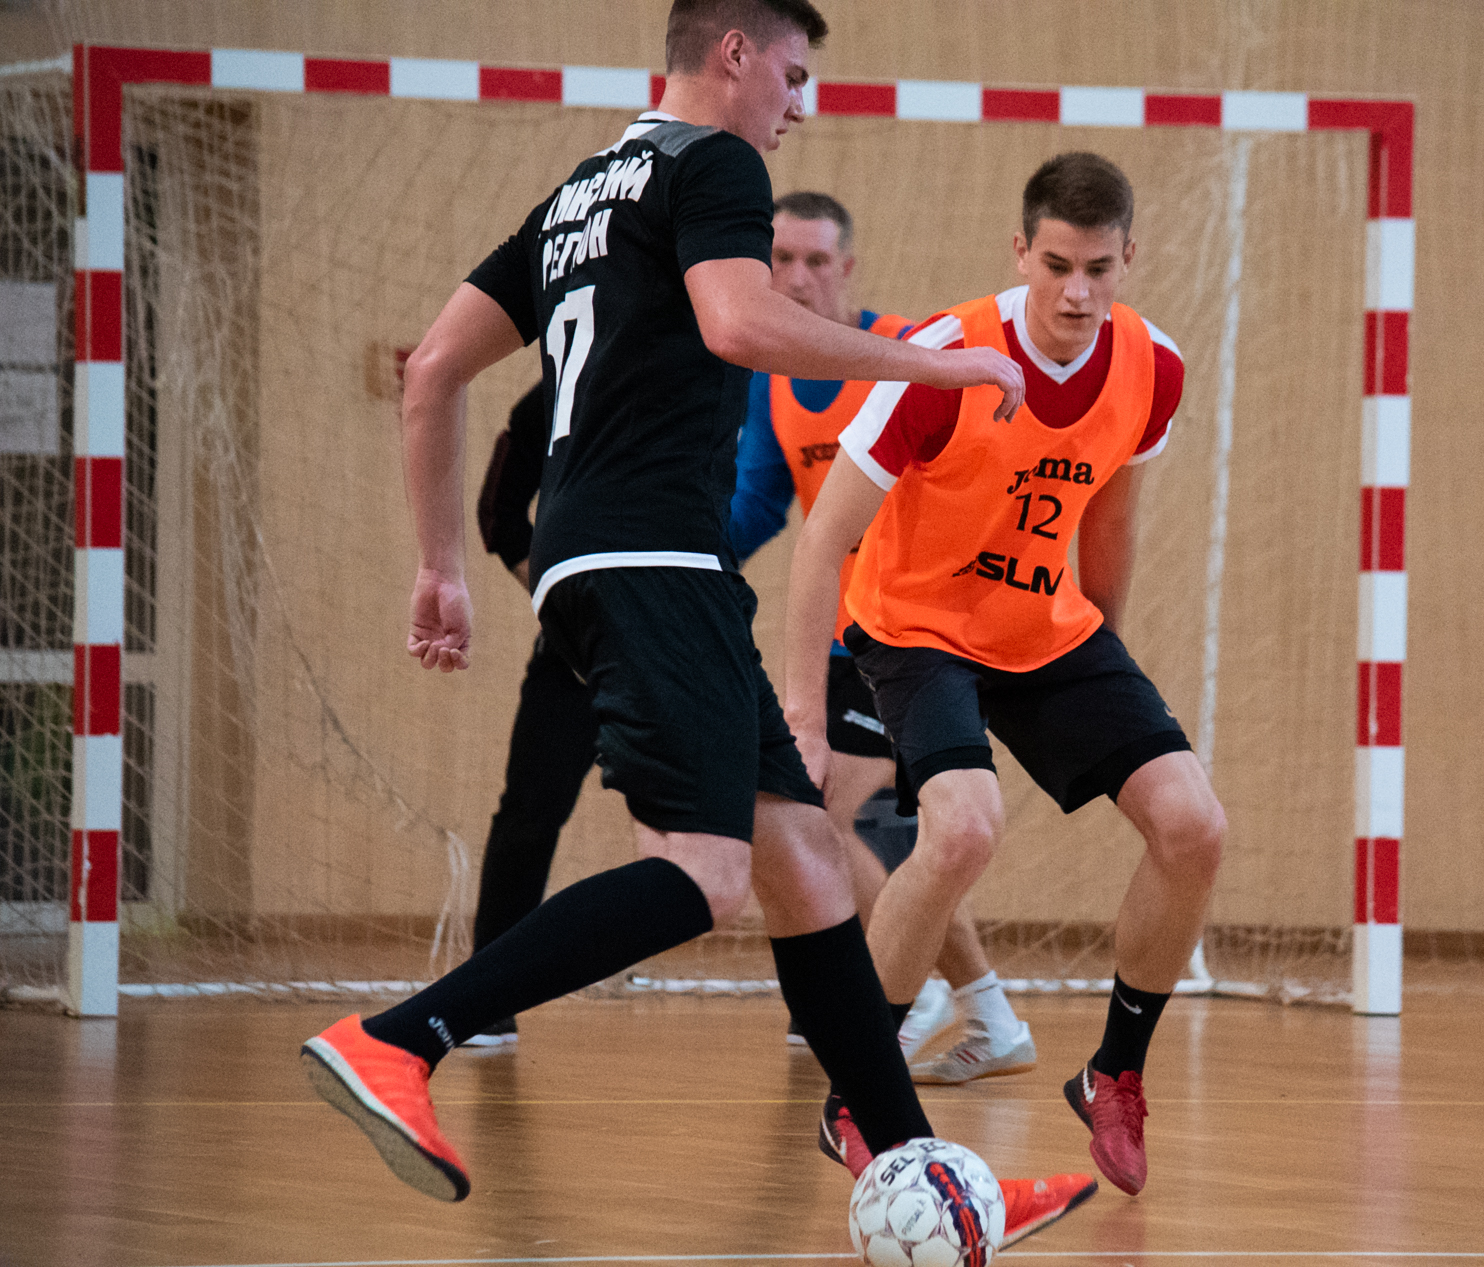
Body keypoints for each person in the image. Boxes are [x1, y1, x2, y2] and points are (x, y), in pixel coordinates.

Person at [296, 0, 1093, 1242]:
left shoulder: (580, 193)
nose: (798, 102)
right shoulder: (714, 162)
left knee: (805, 858)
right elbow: (737, 322)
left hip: (607, 558)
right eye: (791, 72)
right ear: (732, 54)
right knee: (708, 871)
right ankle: (402, 1036)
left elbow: (434, 369)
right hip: (652, 557)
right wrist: (935, 363)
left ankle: (923, 1169)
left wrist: (440, 563)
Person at [784, 152, 1226, 1198]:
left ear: (1129, 258)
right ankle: (856, 1093)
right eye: (1057, 266)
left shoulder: (1152, 366)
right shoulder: (944, 357)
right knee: (962, 830)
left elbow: (1110, 517)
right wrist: (803, 710)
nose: (1077, 292)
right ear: (1020, 251)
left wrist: (1110, 674)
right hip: (916, 625)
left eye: (1099, 269)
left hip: (1048, 628)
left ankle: (1114, 1072)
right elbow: (823, 541)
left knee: (1193, 825)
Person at [730, 190, 1033, 1080]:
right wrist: (677, 557)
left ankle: (919, 990)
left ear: (849, 268)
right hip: (835, 641)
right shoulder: (774, 381)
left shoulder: (913, 350)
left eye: (816, 260)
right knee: (859, 831)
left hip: (914, 631)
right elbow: (758, 503)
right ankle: (986, 1011)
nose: (797, 277)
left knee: (818, 814)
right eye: (780, 259)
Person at [451, 383, 596, 1048]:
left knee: (759, 812)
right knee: (529, 814)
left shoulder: (713, 372)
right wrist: (563, 603)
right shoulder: (554, 392)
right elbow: (498, 513)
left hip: (679, 641)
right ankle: (488, 995)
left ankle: (822, 1004)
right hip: (575, 655)